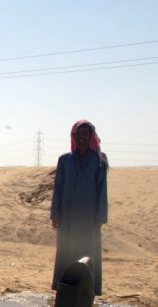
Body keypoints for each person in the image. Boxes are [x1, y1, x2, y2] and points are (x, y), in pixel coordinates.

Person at [51, 120, 108, 296]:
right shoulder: (64, 160)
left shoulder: (99, 161)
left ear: (91, 137)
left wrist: (100, 217)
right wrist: (55, 214)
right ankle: (64, 288)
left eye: (85, 134)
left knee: (88, 253)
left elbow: (102, 189)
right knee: (66, 251)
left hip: (89, 218)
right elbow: (58, 188)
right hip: (67, 217)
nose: (82, 138)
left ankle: (88, 290)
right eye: (78, 135)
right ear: (73, 137)